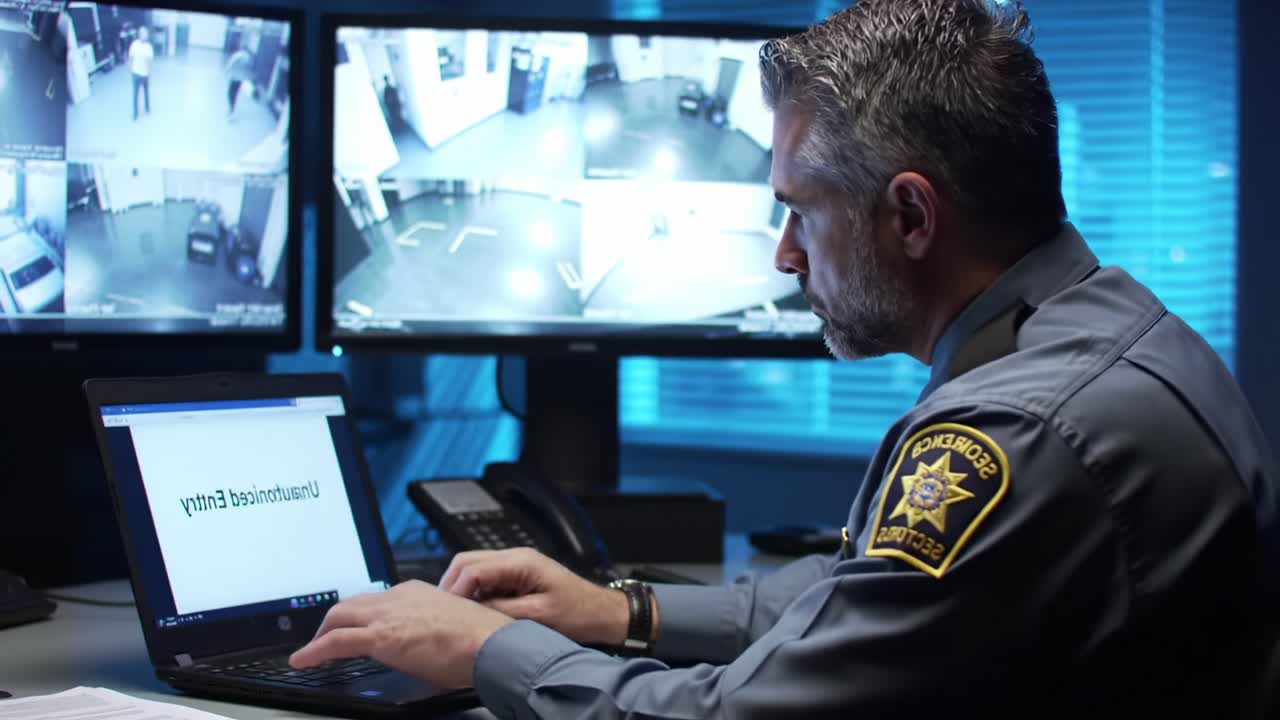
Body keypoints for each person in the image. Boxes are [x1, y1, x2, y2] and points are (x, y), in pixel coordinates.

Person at [290, 0, 1280, 716]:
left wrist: (493, 653)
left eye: (799, 210)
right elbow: (867, 598)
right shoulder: (1110, 325)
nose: (782, 255)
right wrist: (618, 611)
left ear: (908, 214)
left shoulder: (1011, 434)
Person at [127, 26, 152, 121]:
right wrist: (130, 68)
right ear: (140, 34)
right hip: (136, 73)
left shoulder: (148, 47)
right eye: (144, 33)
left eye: (146, 34)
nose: (145, 35)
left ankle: (147, 108)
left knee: (146, 92)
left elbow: (149, 61)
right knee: (135, 94)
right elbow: (131, 57)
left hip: (145, 74)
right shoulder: (134, 44)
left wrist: (149, 73)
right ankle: (135, 113)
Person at [224, 39, 254, 119]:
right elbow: (249, 67)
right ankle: (232, 109)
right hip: (241, 78)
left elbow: (231, 63)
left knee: (230, 93)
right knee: (235, 93)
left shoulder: (238, 55)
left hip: (235, 77)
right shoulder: (248, 56)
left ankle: (232, 110)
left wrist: (226, 71)